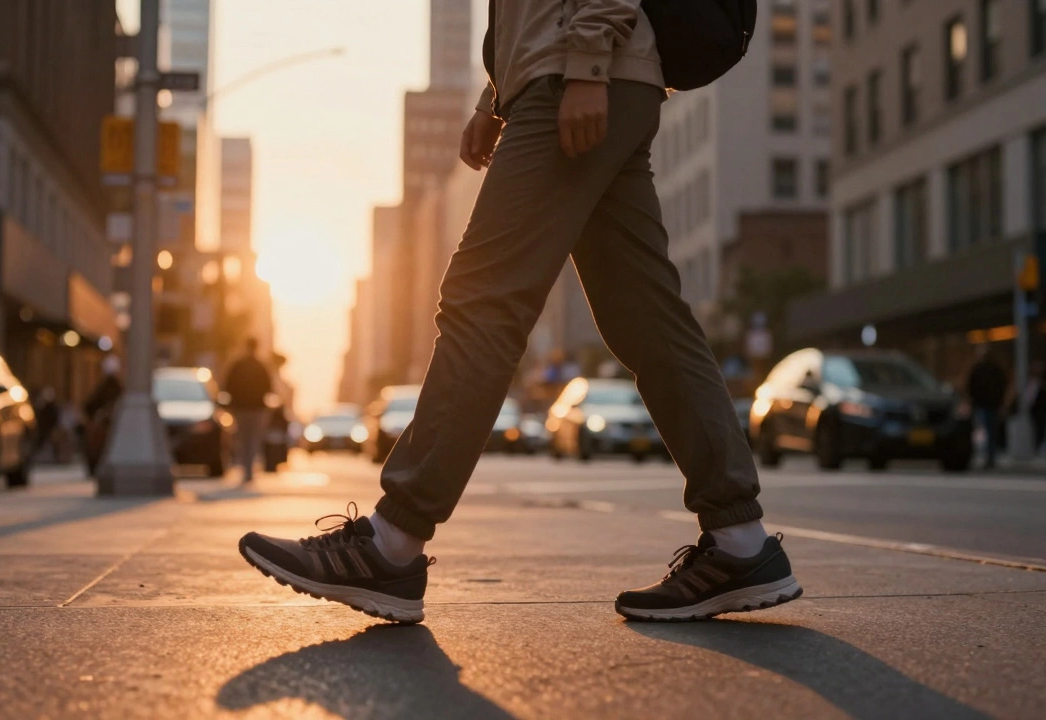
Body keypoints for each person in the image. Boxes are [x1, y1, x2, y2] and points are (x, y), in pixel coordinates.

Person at [238, 0, 801, 625]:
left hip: (580, 70)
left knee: (484, 300)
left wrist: (586, 63)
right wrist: (494, 96)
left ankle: (392, 542)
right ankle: (739, 542)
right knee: (644, 318)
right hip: (592, 70)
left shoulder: (583, 61)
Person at [224, 337, 273, 483]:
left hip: (242, 407)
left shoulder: (238, 365)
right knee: (252, 439)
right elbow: (268, 387)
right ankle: (248, 469)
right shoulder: (260, 366)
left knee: (243, 438)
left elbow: (228, 385)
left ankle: (246, 468)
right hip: (256, 408)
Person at [81, 355, 123, 475]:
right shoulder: (117, 387)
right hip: (108, 423)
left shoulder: (106, 387)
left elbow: (88, 406)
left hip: (109, 423)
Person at [968, 349, 1007, 469]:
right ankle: (988, 457)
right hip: (987, 405)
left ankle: (986, 457)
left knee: (984, 432)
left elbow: (970, 386)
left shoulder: (981, 369)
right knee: (988, 432)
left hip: (986, 405)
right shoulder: (992, 370)